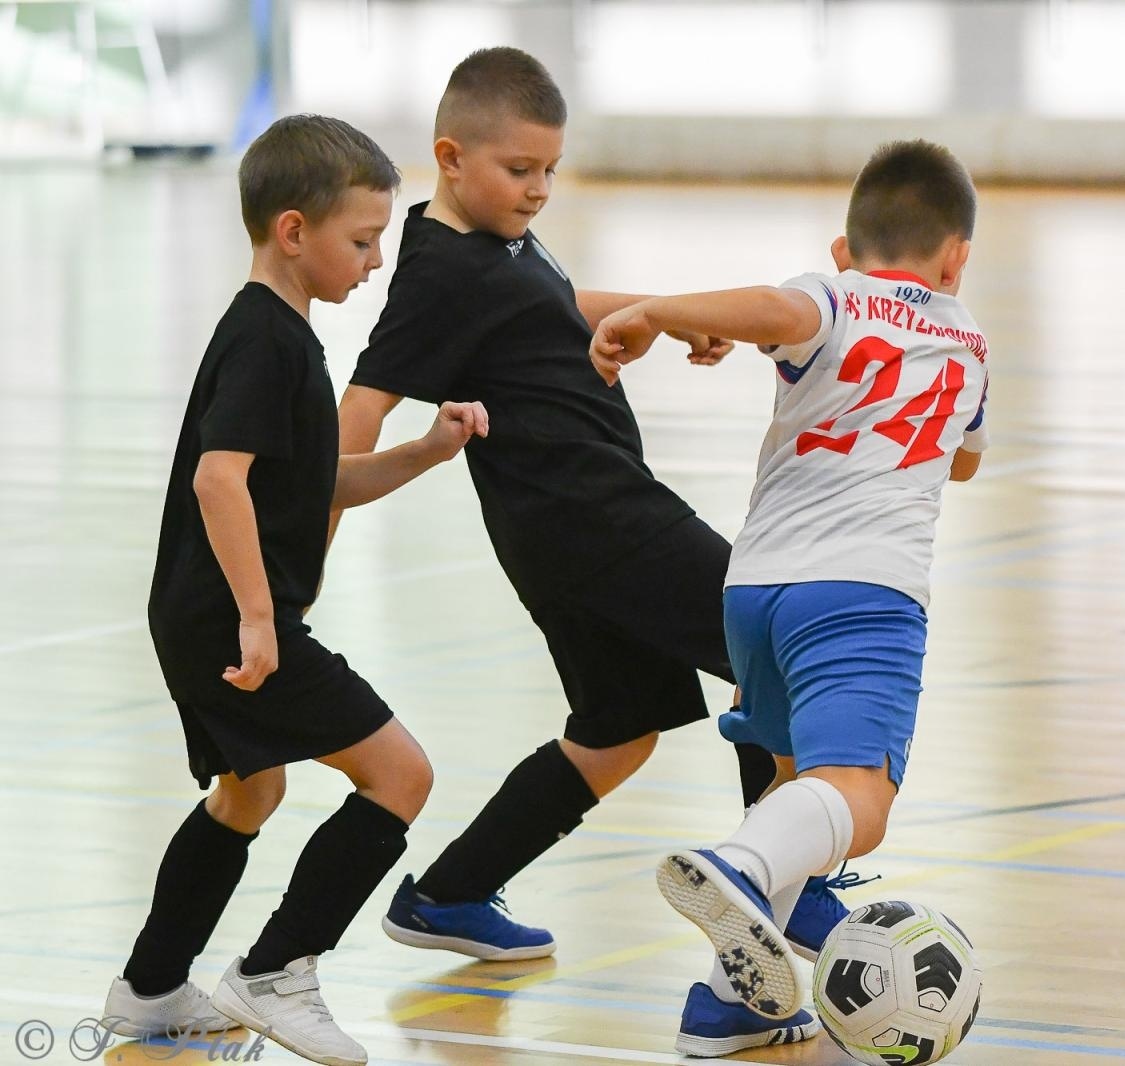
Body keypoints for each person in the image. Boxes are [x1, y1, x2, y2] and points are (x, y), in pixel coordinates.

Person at [337, 47, 847, 1048]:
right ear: (450, 157)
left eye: (549, 171)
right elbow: (363, 401)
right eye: (518, 169)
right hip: (598, 519)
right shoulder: (437, 271)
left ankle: (450, 892)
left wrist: (652, 313)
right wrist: (318, 505)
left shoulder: (494, 247)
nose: (536, 188)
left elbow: (547, 311)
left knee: (618, 725)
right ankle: (779, 897)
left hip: (572, 531)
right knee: (772, 653)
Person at [588, 139, 989, 1052]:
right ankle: (734, 870)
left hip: (756, 590)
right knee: (859, 801)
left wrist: (654, 313)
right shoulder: (968, 337)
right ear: (956, 255)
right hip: (866, 590)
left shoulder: (833, 296)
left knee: (788, 787)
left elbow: (775, 308)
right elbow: (963, 460)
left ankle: (726, 1007)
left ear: (847, 244)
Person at [106, 114, 488, 1065]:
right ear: (291, 231)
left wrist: (426, 451)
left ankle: (150, 989)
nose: (371, 262)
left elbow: (319, 483)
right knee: (401, 775)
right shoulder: (267, 341)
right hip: (225, 619)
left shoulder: (285, 337)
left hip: (203, 618)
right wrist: (259, 617)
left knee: (251, 795)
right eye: (360, 241)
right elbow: (217, 478)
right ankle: (278, 969)